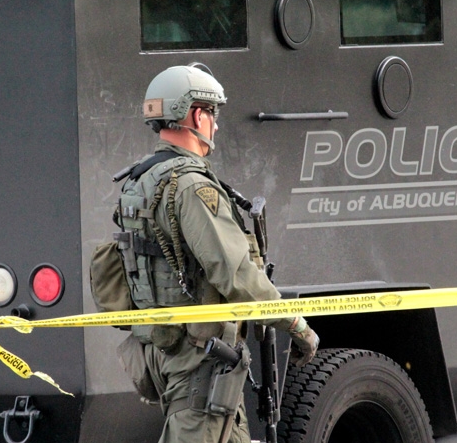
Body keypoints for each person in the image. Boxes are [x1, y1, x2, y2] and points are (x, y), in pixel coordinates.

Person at [113, 63, 319, 443]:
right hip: (198, 363)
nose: (216, 126)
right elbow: (236, 273)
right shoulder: (192, 187)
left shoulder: (139, 181)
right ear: (195, 115)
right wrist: (296, 325)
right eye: (212, 113)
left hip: (166, 351)